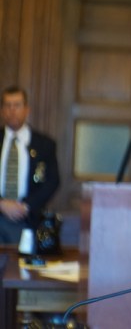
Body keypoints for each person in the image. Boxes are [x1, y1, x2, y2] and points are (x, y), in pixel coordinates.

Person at [0, 85, 60, 244]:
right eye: (8, 105)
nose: (12, 110)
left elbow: (53, 181)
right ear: (2, 110)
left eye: (17, 105)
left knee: (22, 268)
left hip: (28, 220)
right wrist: (2, 204)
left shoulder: (44, 145)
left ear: (27, 110)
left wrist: (26, 206)